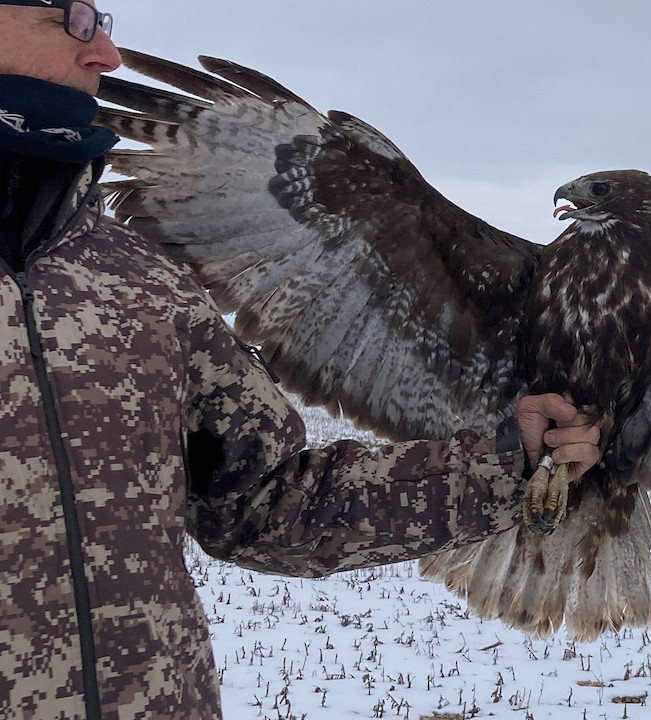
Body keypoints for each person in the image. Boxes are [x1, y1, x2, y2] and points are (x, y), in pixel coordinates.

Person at [0, 2, 602, 719]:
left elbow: (268, 499)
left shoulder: (141, 283)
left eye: (104, 19)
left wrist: (509, 458)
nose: (107, 53)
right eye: (68, 20)